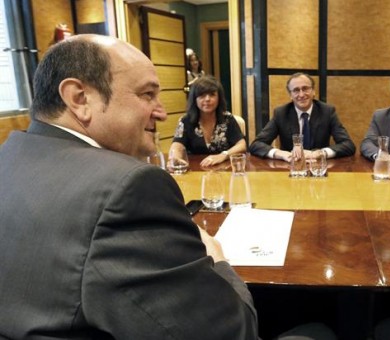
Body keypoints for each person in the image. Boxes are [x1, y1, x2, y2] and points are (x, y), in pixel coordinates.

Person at [0, 34, 259, 339]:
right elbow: (231, 332)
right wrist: (217, 257)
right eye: (147, 94)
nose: (161, 111)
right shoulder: (129, 187)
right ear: (80, 99)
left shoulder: (8, 157)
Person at [248, 72, 356, 162]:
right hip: (289, 169)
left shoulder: (327, 112)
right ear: (290, 95)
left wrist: (320, 153)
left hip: (318, 168)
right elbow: (256, 144)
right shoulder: (281, 113)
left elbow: (348, 145)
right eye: (296, 90)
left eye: (305, 89)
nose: (301, 94)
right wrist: (280, 154)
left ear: (313, 91)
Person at [171, 75, 246, 169]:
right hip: (195, 170)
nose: (207, 99)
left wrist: (223, 155)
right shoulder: (185, 120)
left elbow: (242, 145)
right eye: (202, 95)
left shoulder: (227, 118)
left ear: (219, 98)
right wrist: (175, 158)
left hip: (224, 170)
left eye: (212, 94)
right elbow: (177, 145)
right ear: (195, 99)